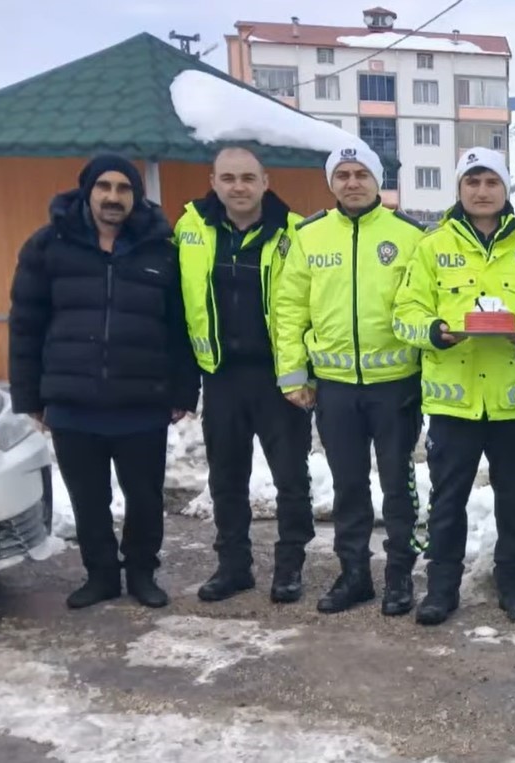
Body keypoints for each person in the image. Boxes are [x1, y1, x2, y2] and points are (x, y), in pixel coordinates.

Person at [7, 153, 199, 609]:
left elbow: (181, 328)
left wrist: (182, 391)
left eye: (123, 189)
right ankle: (100, 577)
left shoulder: (161, 249)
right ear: (88, 191)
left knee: (145, 499)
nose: (113, 197)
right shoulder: (48, 246)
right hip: (74, 403)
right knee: (89, 500)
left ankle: (141, 574)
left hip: (141, 401)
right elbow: (26, 324)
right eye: (104, 187)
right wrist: (29, 396)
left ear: (136, 196)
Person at [392, 148, 515, 626]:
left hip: (512, 403)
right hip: (454, 405)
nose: (481, 191)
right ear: (460, 189)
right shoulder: (431, 248)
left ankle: (513, 587)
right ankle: (441, 590)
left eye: (490, 182)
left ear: (505, 189)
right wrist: (434, 331)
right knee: (447, 502)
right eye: (472, 182)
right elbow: (405, 312)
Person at [274, 144, 427, 616]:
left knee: (398, 487)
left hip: (395, 384)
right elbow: (289, 308)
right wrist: (293, 375)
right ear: (331, 182)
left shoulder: (410, 236)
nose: (352, 182)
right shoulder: (308, 236)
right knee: (349, 486)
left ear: (378, 181)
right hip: (335, 387)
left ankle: (400, 575)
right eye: (342, 174)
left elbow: (425, 305)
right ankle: (354, 575)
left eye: (362, 173)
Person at [176, 146, 313, 605]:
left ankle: (290, 566)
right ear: (213, 181)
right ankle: (233, 566)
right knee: (226, 479)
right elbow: (178, 305)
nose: (239, 187)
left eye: (248, 178)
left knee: (291, 478)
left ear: (265, 182)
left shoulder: (295, 233)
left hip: (278, 377)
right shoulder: (191, 229)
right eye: (229, 178)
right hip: (221, 376)